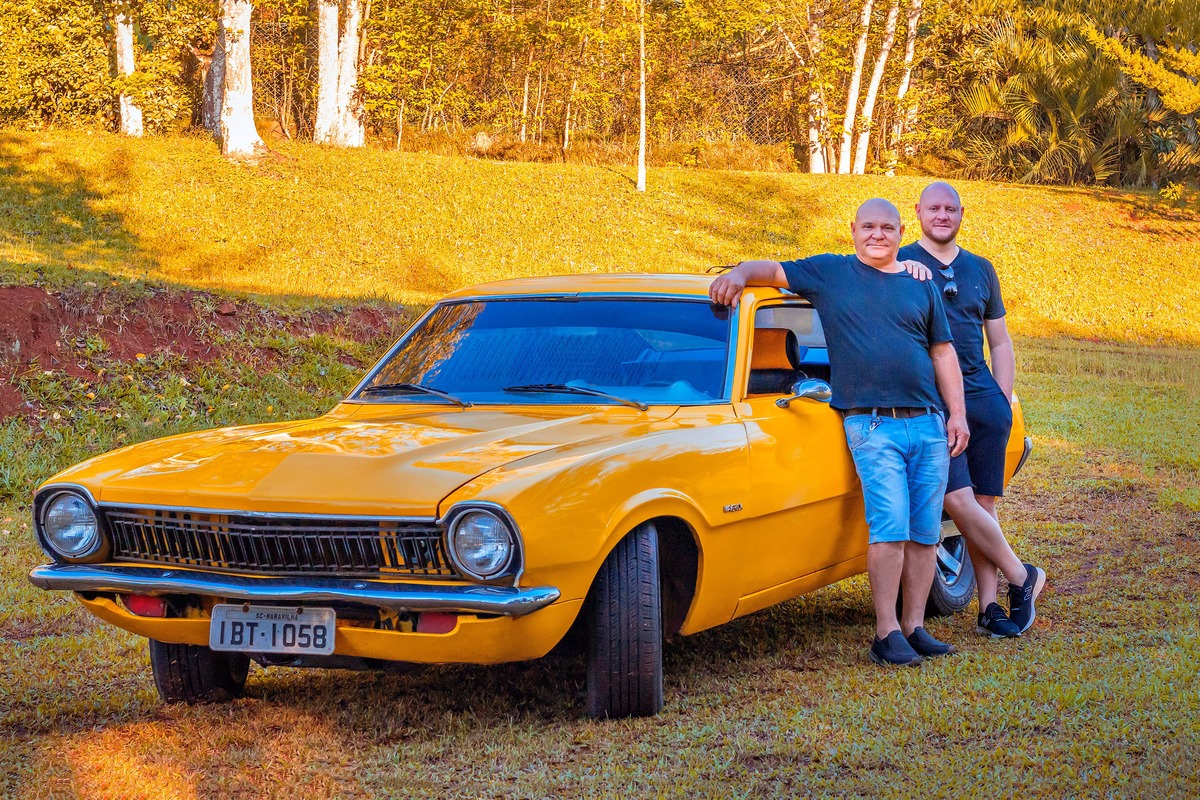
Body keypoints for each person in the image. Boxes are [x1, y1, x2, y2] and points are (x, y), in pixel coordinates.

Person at [710, 198, 969, 667]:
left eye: (887, 228)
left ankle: (915, 626)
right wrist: (739, 274)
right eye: (868, 226)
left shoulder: (920, 285)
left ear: (900, 231)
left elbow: (943, 354)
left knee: (925, 532)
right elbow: (772, 269)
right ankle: (886, 632)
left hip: (928, 424)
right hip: (871, 425)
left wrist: (957, 414)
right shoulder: (831, 273)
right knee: (890, 527)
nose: (877, 235)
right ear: (852, 230)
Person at [898, 182, 1045, 637]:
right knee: (955, 500)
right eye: (934, 208)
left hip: (984, 401)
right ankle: (1023, 575)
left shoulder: (981, 269)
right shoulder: (901, 264)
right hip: (933, 403)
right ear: (919, 213)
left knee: (984, 504)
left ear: (961, 213)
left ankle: (989, 606)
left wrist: (1002, 397)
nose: (942, 215)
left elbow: (999, 341)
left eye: (950, 209)